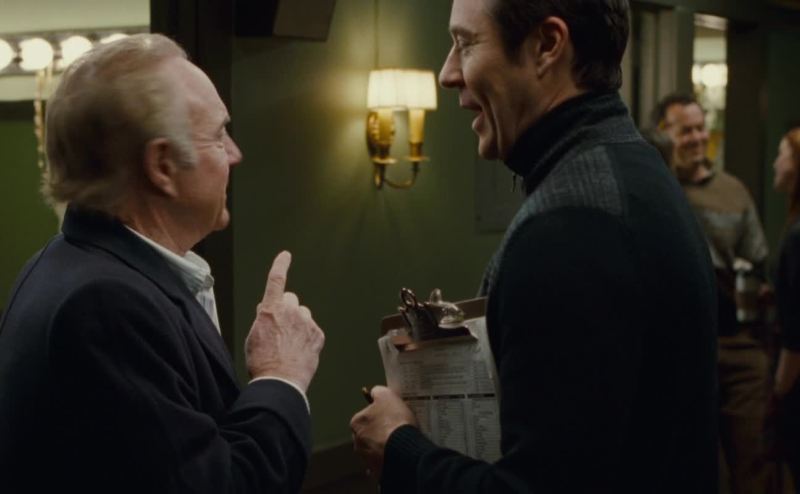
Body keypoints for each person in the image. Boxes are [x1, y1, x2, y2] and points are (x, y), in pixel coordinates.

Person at [351, 1, 718, 492]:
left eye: (465, 43)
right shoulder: (636, 169)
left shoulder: (571, 228)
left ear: (547, 45)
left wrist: (398, 448)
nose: (448, 73)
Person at [0, 34, 324, 493]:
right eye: (219, 135)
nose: (236, 154)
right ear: (163, 165)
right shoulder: (106, 305)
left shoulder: (73, 266)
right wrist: (281, 374)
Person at [652, 93, 771, 494]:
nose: (697, 138)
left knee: (752, 460)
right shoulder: (656, 189)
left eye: (701, 128)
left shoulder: (733, 191)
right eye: (685, 131)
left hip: (736, 345)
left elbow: (757, 259)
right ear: (664, 135)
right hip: (679, 348)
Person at [771, 126, 800, 492]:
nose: (776, 163)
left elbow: (796, 332)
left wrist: (778, 388)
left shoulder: (797, 236)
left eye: (782, 154)